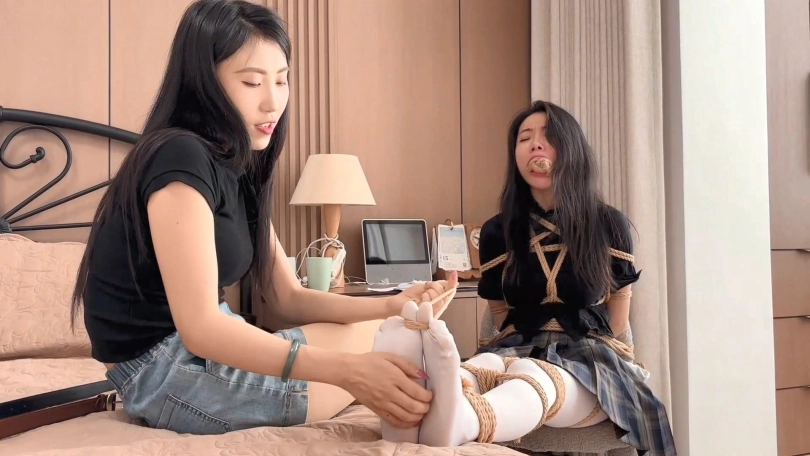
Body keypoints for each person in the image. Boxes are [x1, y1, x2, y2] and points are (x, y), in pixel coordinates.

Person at [69, 0, 457, 435]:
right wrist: (347, 371)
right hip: (165, 374)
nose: (273, 102)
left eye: (282, 80)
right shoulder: (178, 156)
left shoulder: (239, 164)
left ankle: (461, 405)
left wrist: (392, 303)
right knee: (388, 345)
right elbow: (201, 328)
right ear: (204, 82)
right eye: (252, 82)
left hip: (209, 350)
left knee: (390, 329)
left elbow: (285, 297)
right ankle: (461, 410)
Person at [372, 101, 676, 456]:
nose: (536, 145)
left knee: (533, 375)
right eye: (525, 138)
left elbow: (618, 314)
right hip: (516, 343)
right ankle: (419, 406)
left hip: (588, 353)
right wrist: (517, 345)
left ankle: (461, 421)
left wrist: (581, 351)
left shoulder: (609, 224)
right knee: (486, 365)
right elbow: (500, 311)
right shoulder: (497, 231)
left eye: (549, 136)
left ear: (572, 149)